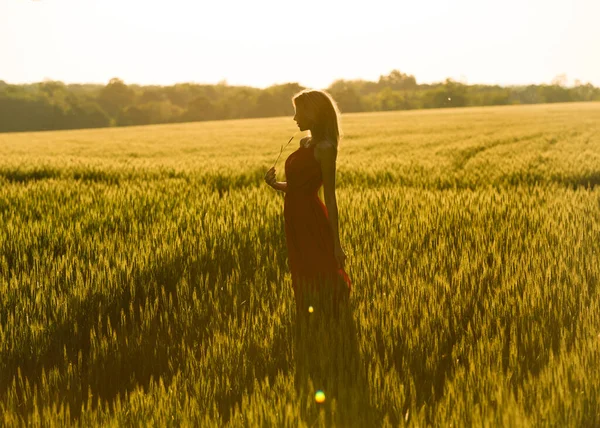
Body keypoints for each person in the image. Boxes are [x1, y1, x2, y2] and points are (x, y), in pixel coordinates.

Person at [264, 89, 352, 321]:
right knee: (301, 270)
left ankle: (331, 323)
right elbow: (298, 187)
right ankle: (310, 320)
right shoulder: (305, 142)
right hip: (293, 217)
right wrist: (276, 185)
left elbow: (329, 197)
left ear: (313, 113)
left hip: (310, 218)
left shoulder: (325, 148)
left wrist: (337, 244)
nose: (294, 118)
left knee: (318, 270)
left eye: (298, 112)